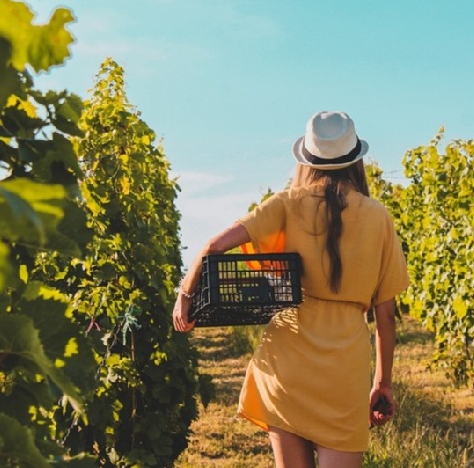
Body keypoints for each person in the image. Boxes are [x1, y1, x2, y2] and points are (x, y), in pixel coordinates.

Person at [173, 111, 410, 468]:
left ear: (308, 159)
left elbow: (212, 248)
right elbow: (386, 314)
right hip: (343, 371)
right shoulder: (378, 216)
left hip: (286, 362)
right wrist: (382, 383)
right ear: (354, 160)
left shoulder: (286, 203)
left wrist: (185, 296)